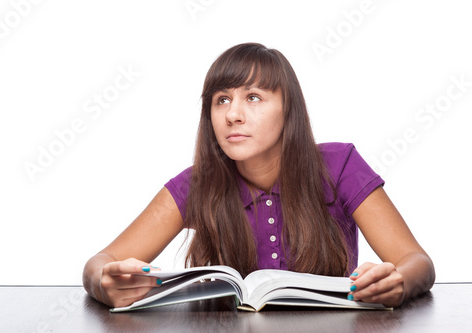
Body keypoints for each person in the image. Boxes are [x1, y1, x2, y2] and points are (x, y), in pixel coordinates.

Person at [82, 42, 435, 309]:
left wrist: (398, 281)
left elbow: (418, 262)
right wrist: (104, 282)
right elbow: (100, 263)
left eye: (253, 97)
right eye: (221, 100)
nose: (232, 114)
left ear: (288, 110)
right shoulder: (197, 183)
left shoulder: (340, 165)